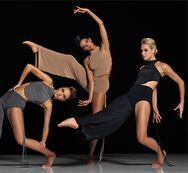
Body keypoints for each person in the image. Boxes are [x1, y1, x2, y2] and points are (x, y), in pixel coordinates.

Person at [57, 37, 185, 168]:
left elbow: (180, 82)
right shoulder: (142, 67)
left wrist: (181, 102)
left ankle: (160, 153)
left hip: (143, 99)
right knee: (107, 114)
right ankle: (77, 122)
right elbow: (155, 88)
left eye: (146, 50)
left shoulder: (162, 66)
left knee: (141, 138)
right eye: (141, 51)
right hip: (130, 95)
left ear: (153, 50)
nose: (143, 53)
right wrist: (156, 108)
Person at [23, 6, 112, 163]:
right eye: (83, 47)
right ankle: (39, 50)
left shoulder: (105, 49)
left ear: (90, 40)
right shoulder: (87, 60)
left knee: (95, 119)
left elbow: (101, 24)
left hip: (102, 85)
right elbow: (90, 80)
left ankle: (91, 153)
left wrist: (88, 11)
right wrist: (90, 97)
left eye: (86, 43)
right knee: (70, 59)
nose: (86, 47)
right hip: (93, 85)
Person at [0, 63, 77, 169]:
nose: (60, 94)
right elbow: (29, 67)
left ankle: (50, 154)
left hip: (16, 102)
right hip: (6, 96)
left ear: (63, 101)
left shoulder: (48, 105)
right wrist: (19, 83)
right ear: (61, 88)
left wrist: (43, 141)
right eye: (62, 90)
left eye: (63, 96)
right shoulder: (49, 82)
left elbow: (46, 125)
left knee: (20, 139)